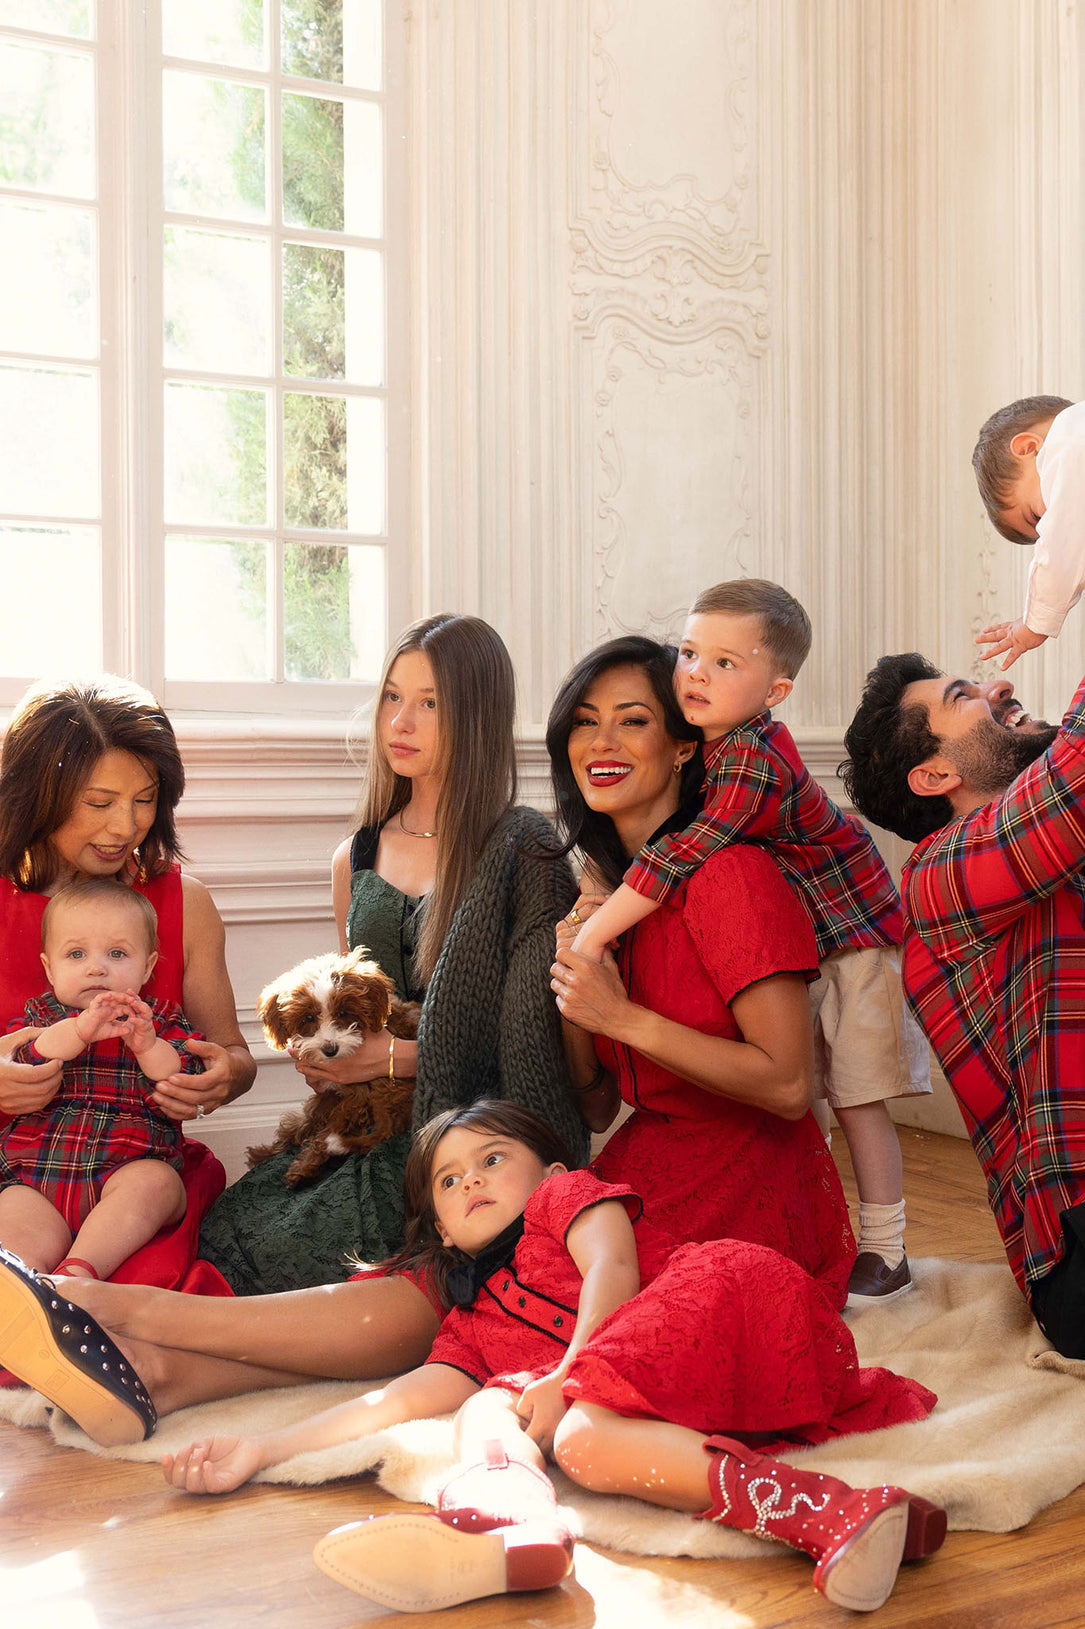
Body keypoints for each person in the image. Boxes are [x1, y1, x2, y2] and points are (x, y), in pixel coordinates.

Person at [161, 1103, 943, 1617]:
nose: (470, 1177)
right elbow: (390, 1403)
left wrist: (568, 1376)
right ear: (435, 1225)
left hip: (731, 1300)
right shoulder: (470, 1319)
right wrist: (261, 1448)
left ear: (550, 1169)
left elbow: (615, 1271)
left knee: (573, 1429)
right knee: (483, 1404)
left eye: (492, 1158)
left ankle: (824, 1508)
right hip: (666, 1396)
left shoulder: (564, 1202)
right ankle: (513, 1519)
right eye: (448, 1178)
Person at [196, 612, 586, 1295]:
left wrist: (402, 1058)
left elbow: (532, 1040)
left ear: (475, 716)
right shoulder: (358, 856)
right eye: (391, 697)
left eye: (429, 703)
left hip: (458, 1128)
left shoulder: (521, 850)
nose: (401, 721)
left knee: (316, 1251)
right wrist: (331, 1062)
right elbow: (357, 1002)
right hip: (363, 1123)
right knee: (230, 1225)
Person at [560, 598, 929, 1302]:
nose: (696, 673)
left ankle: (885, 1244)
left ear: (774, 689)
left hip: (853, 933)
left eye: (723, 662)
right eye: (690, 655)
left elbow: (684, 853)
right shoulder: (707, 767)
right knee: (817, 1083)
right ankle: (820, 1207)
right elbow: (599, 1098)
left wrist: (595, 931)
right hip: (810, 932)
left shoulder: (748, 766)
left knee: (854, 1092)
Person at [840, 652, 1085, 1359]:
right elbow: (1069, 783)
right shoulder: (938, 874)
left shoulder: (1052, 855)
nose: (998, 689)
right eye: (965, 696)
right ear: (936, 775)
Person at [0, 676, 254, 1293]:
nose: (126, 825)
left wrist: (221, 1077)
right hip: (22, 1166)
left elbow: (235, 1056)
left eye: (144, 800)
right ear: (39, 794)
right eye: (100, 802)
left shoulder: (184, 904)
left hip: (130, 1167)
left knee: (135, 1311)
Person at [1, 879, 202, 1281]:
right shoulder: (42, 1015)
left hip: (129, 1166)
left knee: (159, 1185)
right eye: (76, 954)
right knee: (13, 1212)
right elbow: (24, 1059)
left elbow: (184, 1072)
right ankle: (22, 1281)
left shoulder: (158, 1018)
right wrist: (77, 1030)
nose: (96, 967)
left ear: (147, 965)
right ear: (49, 968)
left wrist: (148, 1046)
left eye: (117, 953)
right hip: (39, 1171)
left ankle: (80, 1273)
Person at [971, 394, 1083, 670]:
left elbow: (1063, 544)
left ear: (1028, 448)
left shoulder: (1068, 437)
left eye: (1039, 517)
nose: (1050, 527)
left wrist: (1034, 623)